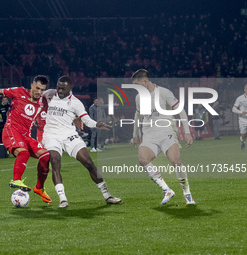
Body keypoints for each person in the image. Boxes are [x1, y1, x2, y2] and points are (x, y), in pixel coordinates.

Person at [42, 76, 122, 208]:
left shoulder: (75, 102)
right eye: (58, 87)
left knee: (88, 163)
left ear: (70, 88)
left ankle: (107, 196)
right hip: (51, 135)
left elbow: (86, 120)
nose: (60, 90)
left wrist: (96, 124)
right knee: (55, 161)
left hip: (69, 134)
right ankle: (63, 199)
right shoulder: (49, 94)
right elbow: (33, 95)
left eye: (63, 88)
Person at [132, 69, 195, 205]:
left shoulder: (164, 92)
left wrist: (187, 132)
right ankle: (166, 190)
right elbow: (138, 115)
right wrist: (135, 134)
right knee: (143, 159)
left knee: (176, 163)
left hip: (167, 132)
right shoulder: (139, 97)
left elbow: (181, 110)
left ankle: (187, 192)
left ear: (145, 81)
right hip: (149, 135)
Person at [0, 75, 51, 203]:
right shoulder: (19, 91)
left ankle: (39, 188)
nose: (39, 92)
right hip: (12, 130)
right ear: (32, 84)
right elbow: (0, 91)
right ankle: (16, 179)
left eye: (42, 90)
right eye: (37, 88)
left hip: (26, 136)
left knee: (46, 156)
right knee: (24, 153)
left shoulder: (43, 102)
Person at [232, 84, 247, 151]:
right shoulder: (240, 98)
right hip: (243, 119)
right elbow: (233, 109)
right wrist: (241, 112)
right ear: (244, 89)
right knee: (243, 134)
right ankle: (243, 142)